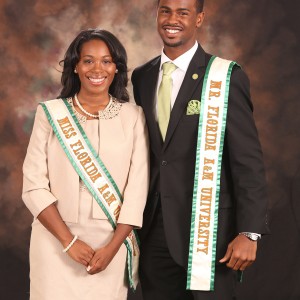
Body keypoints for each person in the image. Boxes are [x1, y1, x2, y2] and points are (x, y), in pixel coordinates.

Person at [131, 0, 268, 299]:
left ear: (199, 19)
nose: (172, 19)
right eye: (165, 10)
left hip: (210, 234)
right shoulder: (141, 76)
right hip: (154, 231)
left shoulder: (225, 76)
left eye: (183, 12)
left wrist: (249, 231)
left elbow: (248, 161)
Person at [22, 28, 149, 300]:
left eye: (106, 61)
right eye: (88, 60)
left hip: (110, 242)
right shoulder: (50, 114)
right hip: (54, 239)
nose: (97, 68)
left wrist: (113, 247)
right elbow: (33, 186)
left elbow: (137, 190)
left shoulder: (134, 116)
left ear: (116, 68)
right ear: (76, 67)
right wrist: (68, 242)